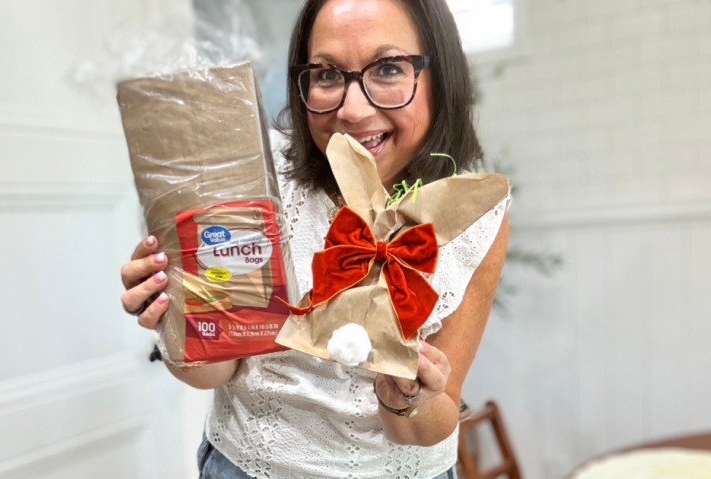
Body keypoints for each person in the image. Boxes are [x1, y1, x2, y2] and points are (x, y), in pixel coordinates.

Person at [119, 0, 510, 477]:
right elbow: (213, 373)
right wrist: (177, 317)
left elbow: (435, 420)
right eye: (326, 74)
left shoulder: (473, 215)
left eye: (387, 68)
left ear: (440, 76)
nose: (352, 108)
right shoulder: (257, 180)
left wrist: (408, 398)